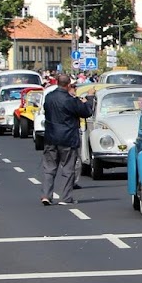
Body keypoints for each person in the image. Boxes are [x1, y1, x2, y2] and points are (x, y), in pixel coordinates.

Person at [40, 74, 95, 206]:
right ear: (69, 84)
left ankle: (46, 195)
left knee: (49, 168)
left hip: (51, 137)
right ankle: (65, 198)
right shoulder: (70, 100)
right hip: (68, 138)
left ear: (57, 82)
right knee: (68, 169)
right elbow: (87, 112)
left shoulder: (49, 97)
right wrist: (89, 99)